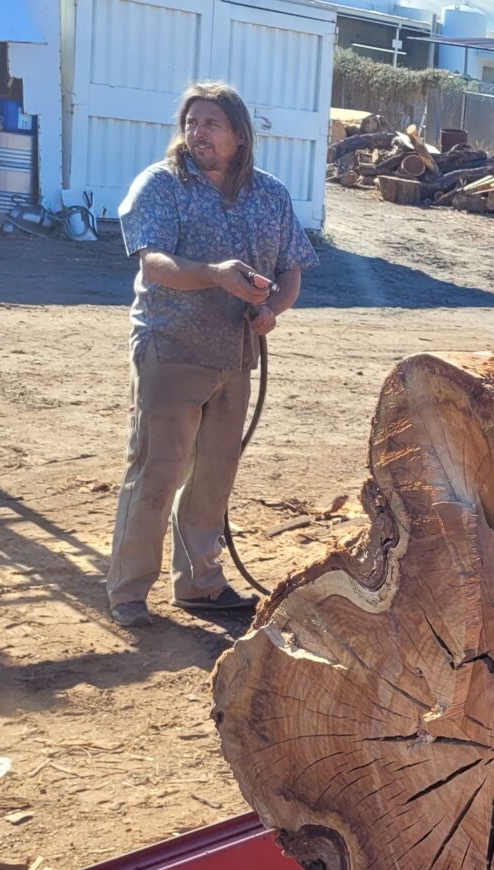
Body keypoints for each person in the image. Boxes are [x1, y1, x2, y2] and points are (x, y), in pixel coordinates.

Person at [106, 82, 316, 628]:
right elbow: (152, 263)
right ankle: (128, 593)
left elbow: (292, 268)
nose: (197, 132)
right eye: (191, 122)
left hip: (235, 355)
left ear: (239, 136)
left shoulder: (270, 194)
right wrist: (215, 275)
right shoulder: (162, 185)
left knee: (214, 477)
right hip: (170, 350)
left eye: (211, 124)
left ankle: (200, 585)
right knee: (157, 471)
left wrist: (273, 310)